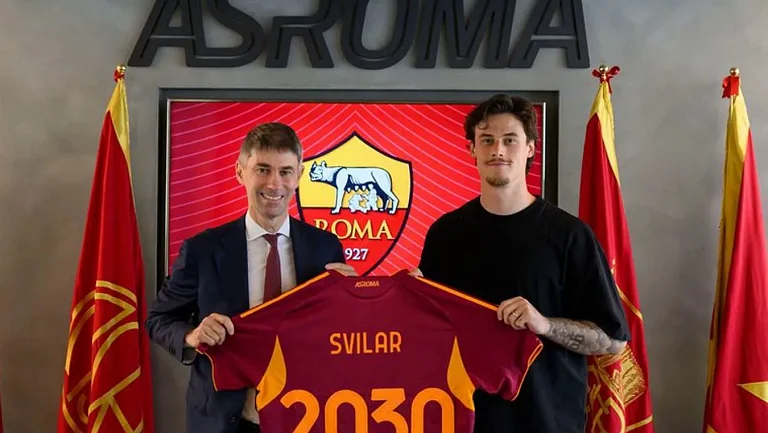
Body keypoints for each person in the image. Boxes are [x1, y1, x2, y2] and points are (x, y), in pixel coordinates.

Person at [411, 94, 630, 433]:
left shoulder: (569, 235)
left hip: (546, 422)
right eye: (487, 140)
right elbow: (429, 333)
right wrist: (408, 299)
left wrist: (544, 324)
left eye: (510, 140)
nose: (498, 150)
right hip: (465, 422)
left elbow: (613, 341)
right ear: (472, 150)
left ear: (529, 148)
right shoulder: (445, 233)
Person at [146, 122, 356, 433]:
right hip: (225, 422)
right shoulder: (202, 250)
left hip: (305, 418)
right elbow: (158, 319)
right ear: (240, 172)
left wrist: (351, 301)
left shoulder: (326, 247)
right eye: (263, 169)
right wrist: (192, 336)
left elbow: (338, 334)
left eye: (285, 171)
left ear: (299, 175)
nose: (274, 183)